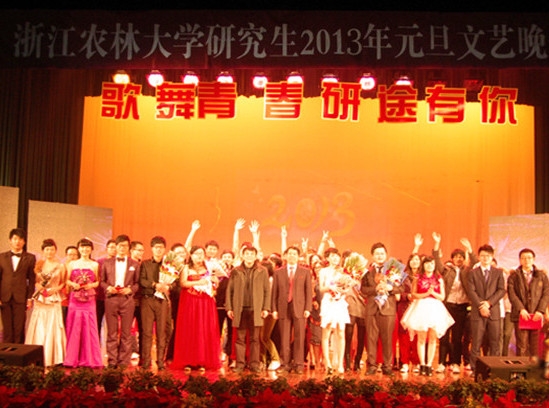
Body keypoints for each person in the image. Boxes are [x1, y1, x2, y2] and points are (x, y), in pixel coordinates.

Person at [401, 256, 455, 376]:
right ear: (423, 265)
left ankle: (429, 364)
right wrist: (426, 294)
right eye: (427, 263)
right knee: (421, 338)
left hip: (435, 308)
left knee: (432, 338)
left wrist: (432, 293)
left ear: (434, 265)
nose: (429, 266)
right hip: (421, 307)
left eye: (432, 264)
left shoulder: (439, 279)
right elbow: (414, 294)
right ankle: (422, 364)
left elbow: (442, 297)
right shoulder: (418, 277)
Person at [172, 245, 222, 371]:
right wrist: (198, 282)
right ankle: (188, 361)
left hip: (205, 302)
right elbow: (183, 283)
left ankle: (203, 361)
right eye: (196, 254)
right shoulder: (186, 267)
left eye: (201, 254)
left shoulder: (208, 268)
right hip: (190, 302)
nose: (199, 256)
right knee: (190, 328)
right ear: (191, 255)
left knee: (204, 329)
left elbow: (214, 285)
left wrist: (215, 282)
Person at [433, 233, 476, 374]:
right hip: (448, 306)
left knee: (457, 337)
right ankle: (441, 363)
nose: (459, 259)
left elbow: (475, 262)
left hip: (462, 306)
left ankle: (456, 363)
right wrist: (437, 243)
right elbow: (437, 261)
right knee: (444, 336)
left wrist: (469, 248)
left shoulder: (468, 271)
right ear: (452, 259)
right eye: (456, 257)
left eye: (461, 257)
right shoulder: (447, 270)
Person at [226, 244, 270, 374]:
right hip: (240, 309)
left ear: (256, 256)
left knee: (255, 339)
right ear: (243, 255)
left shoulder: (262, 271)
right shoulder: (236, 271)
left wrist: (265, 308)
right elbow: (230, 290)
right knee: (240, 339)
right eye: (247, 254)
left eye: (252, 254)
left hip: (256, 309)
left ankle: (254, 364)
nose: (249, 256)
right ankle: (240, 364)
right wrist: (229, 307)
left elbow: (267, 290)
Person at [362, 242, 404, 376]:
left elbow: (402, 288)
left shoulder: (394, 270)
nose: (379, 256)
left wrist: (391, 288)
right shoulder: (367, 272)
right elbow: (363, 289)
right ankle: (372, 365)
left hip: (388, 308)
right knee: (371, 338)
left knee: (387, 339)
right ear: (372, 256)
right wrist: (375, 289)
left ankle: (387, 366)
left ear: (386, 255)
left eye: (382, 253)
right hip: (372, 308)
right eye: (377, 254)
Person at [25, 238, 67, 366]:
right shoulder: (39, 265)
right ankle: (36, 356)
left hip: (53, 298)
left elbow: (63, 282)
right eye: (47, 249)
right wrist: (39, 287)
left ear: (55, 251)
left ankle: (53, 358)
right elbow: (34, 280)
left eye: (52, 249)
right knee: (39, 325)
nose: (50, 252)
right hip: (41, 299)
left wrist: (55, 289)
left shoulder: (60, 266)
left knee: (53, 325)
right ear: (43, 251)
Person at [100, 234, 140, 368]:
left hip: (127, 300)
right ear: (116, 247)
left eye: (125, 246)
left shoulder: (135, 264)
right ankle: (112, 361)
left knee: (126, 333)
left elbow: (137, 283)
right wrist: (108, 288)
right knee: (111, 332)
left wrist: (130, 290)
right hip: (111, 299)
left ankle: (123, 361)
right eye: (120, 246)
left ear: (129, 248)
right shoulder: (107, 263)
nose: (122, 248)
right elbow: (102, 281)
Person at [465, 244, 505, 375]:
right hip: (477, 312)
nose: (485, 258)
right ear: (479, 257)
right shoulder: (472, 273)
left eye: (488, 256)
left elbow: (501, 290)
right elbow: (471, 291)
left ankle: (494, 370)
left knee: (494, 342)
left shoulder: (498, 272)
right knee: (476, 342)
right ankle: (474, 369)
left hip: (494, 312)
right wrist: (481, 306)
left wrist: (489, 303)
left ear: (492, 257)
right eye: (482, 256)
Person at [271, 246, 312, 374]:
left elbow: (308, 292)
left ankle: (299, 364)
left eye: (294, 254)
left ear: (298, 257)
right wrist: (274, 309)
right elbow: (274, 292)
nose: (292, 256)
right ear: (285, 256)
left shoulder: (305, 272)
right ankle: (285, 364)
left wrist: (308, 308)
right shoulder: (278, 272)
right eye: (290, 253)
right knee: (284, 338)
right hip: (283, 307)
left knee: (300, 337)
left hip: (300, 307)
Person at [64, 238, 103, 367]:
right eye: (82, 247)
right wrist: (73, 284)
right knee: (74, 326)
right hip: (75, 299)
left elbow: (97, 282)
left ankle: (90, 359)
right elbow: (66, 280)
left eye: (87, 247)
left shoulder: (95, 265)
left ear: (91, 249)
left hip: (89, 299)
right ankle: (72, 359)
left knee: (89, 327)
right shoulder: (72, 264)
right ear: (78, 249)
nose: (85, 249)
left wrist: (90, 285)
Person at [508, 248, 549, 358]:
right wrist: (521, 309)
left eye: (529, 258)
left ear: (533, 259)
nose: (526, 260)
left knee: (535, 347)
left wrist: (540, 311)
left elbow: (546, 294)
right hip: (521, 315)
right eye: (523, 258)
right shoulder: (514, 276)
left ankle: (534, 368)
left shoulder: (542, 276)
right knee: (522, 346)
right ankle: (522, 368)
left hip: (536, 315)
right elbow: (512, 295)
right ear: (520, 260)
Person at [0, 228, 36, 343]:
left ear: (24, 242)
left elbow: (32, 279)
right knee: (7, 328)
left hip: (21, 297)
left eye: (20, 239)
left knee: (19, 328)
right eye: (15, 239)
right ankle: (6, 352)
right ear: (10, 240)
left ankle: (19, 352)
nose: (17, 242)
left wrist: (30, 298)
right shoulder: (1, 257)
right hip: (4, 296)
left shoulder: (30, 258)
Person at [318, 247, 351, 374]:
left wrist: (343, 290)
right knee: (326, 333)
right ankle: (328, 363)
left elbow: (347, 288)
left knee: (341, 333)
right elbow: (321, 288)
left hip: (340, 302)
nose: (335, 258)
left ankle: (340, 363)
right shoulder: (323, 271)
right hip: (328, 302)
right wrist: (330, 288)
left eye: (337, 256)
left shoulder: (343, 271)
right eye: (332, 256)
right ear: (327, 258)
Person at [96, 239, 116, 339]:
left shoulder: (120, 262)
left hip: (114, 298)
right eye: (111, 247)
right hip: (99, 296)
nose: (113, 249)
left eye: (115, 247)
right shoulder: (99, 262)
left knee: (113, 325)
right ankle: (96, 345)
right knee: (97, 322)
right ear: (106, 249)